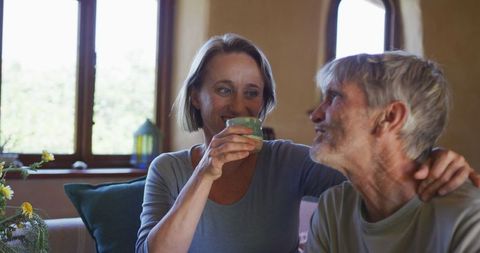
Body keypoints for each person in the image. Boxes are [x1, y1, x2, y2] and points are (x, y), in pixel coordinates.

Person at [135, 34, 478, 253]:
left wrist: (430, 157)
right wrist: (206, 172)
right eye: (224, 89)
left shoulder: (290, 163)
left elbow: (385, 171)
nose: (239, 106)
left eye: (252, 93)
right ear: (195, 97)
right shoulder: (168, 169)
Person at [306, 51, 480, 252]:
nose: (316, 114)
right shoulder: (334, 209)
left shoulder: (467, 219)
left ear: (390, 117)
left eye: (335, 96)